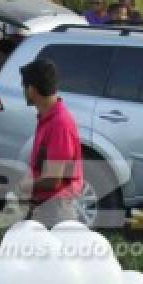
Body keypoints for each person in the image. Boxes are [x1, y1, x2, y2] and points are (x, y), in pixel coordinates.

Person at [22, 59, 84, 227]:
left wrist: (25, 186)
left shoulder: (59, 123)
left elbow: (53, 179)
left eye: (24, 87)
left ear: (32, 90)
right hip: (46, 205)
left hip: (56, 208)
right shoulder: (47, 117)